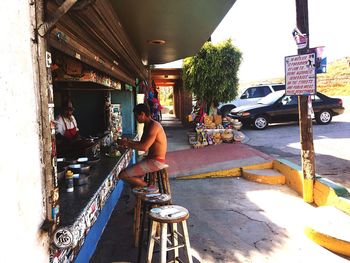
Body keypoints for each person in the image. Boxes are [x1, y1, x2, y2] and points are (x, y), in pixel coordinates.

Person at [118, 103, 167, 187]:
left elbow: (144, 147)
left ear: (143, 114)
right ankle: (142, 190)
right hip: (151, 159)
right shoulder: (147, 125)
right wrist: (129, 141)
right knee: (134, 178)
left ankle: (150, 190)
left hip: (156, 161)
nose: (136, 118)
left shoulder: (154, 126)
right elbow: (142, 143)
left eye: (136, 116)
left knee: (122, 175)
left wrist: (127, 143)